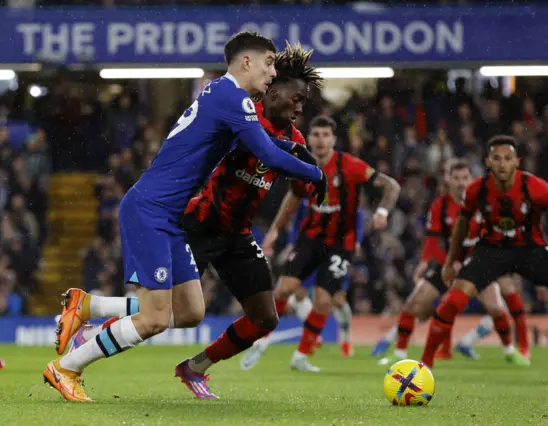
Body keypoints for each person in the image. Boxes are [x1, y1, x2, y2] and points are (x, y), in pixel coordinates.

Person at [44, 32, 326, 402]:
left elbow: (263, 142)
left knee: (191, 310)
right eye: (269, 63)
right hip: (152, 209)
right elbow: (266, 153)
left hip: (172, 215)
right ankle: (67, 367)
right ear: (246, 62)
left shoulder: (222, 95)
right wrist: (316, 172)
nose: (272, 72)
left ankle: (89, 306)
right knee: (155, 318)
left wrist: (294, 148)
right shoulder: (233, 98)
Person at [421, 135, 548, 378]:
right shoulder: (476, 190)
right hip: (490, 251)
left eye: (507, 158)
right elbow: (461, 226)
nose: (502, 164)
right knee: (453, 302)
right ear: (488, 163)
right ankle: (425, 363)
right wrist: (450, 262)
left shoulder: (537, 188)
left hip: (529, 250)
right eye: (496, 159)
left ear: (517, 162)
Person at [241, 115, 401, 372]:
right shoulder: (302, 165)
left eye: (326, 135)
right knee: (283, 289)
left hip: (341, 244)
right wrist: (274, 231)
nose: (320, 140)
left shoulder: (351, 166)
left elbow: (391, 186)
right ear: (310, 137)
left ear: (334, 140)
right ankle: (262, 341)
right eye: (315, 134)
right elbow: (292, 200)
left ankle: (301, 356)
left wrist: (382, 213)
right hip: (311, 239)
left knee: (324, 300)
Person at [373, 160, 529, 367]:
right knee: (413, 305)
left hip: (478, 265)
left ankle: (510, 351)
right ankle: (399, 353)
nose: (461, 183)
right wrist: (427, 261)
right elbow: (432, 240)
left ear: (472, 179)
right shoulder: (440, 205)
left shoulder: (484, 203)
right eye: (456, 178)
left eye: (465, 178)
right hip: (445, 265)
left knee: (496, 307)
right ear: (448, 180)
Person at [239, 202, 364, 368]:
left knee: (336, 300)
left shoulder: (345, 184)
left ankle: (344, 336)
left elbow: (357, 213)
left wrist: (358, 240)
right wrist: (292, 243)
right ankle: (269, 339)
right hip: (310, 245)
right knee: (294, 291)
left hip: (337, 248)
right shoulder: (311, 187)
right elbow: (299, 214)